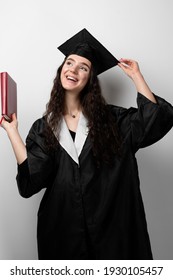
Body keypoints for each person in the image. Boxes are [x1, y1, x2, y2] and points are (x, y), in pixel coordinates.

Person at [1, 28, 173, 260]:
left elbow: (155, 120)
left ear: (90, 79)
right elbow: (31, 180)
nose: (73, 69)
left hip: (112, 234)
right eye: (69, 63)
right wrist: (12, 132)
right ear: (61, 70)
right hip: (62, 235)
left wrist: (136, 76)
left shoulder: (114, 120)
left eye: (83, 67)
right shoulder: (44, 128)